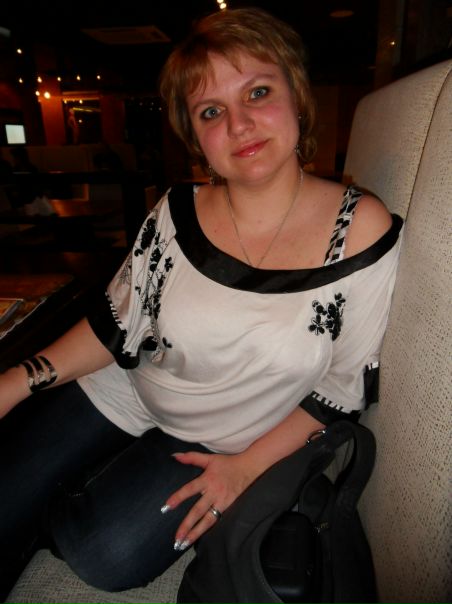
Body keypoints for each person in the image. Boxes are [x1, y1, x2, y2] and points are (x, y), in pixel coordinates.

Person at [0, 7, 404, 600]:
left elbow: (342, 389)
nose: (239, 125)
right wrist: (16, 380)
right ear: (196, 137)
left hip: (220, 438)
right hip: (127, 387)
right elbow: (116, 323)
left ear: (297, 97)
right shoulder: (175, 210)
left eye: (258, 92)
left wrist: (247, 468)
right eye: (211, 111)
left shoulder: (359, 230)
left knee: (105, 556)